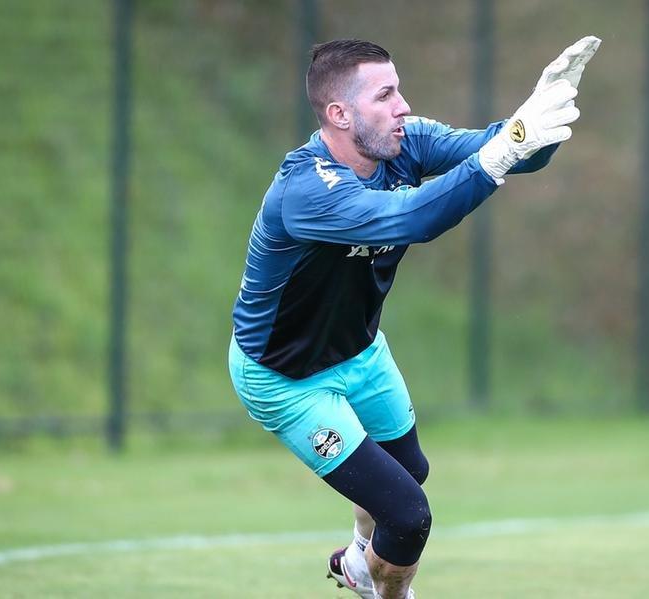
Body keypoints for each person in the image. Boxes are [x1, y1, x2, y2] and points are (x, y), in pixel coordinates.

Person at [227, 36, 601, 598]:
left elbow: (501, 149)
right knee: (407, 514)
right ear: (339, 114)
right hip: (286, 379)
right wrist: (504, 150)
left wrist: (533, 122)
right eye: (386, 94)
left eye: (399, 90)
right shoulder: (305, 191)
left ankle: (358, 561)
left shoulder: (406, 143)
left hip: (360, 351)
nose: (403, 105)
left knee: (410, 472)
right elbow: (410, 218)